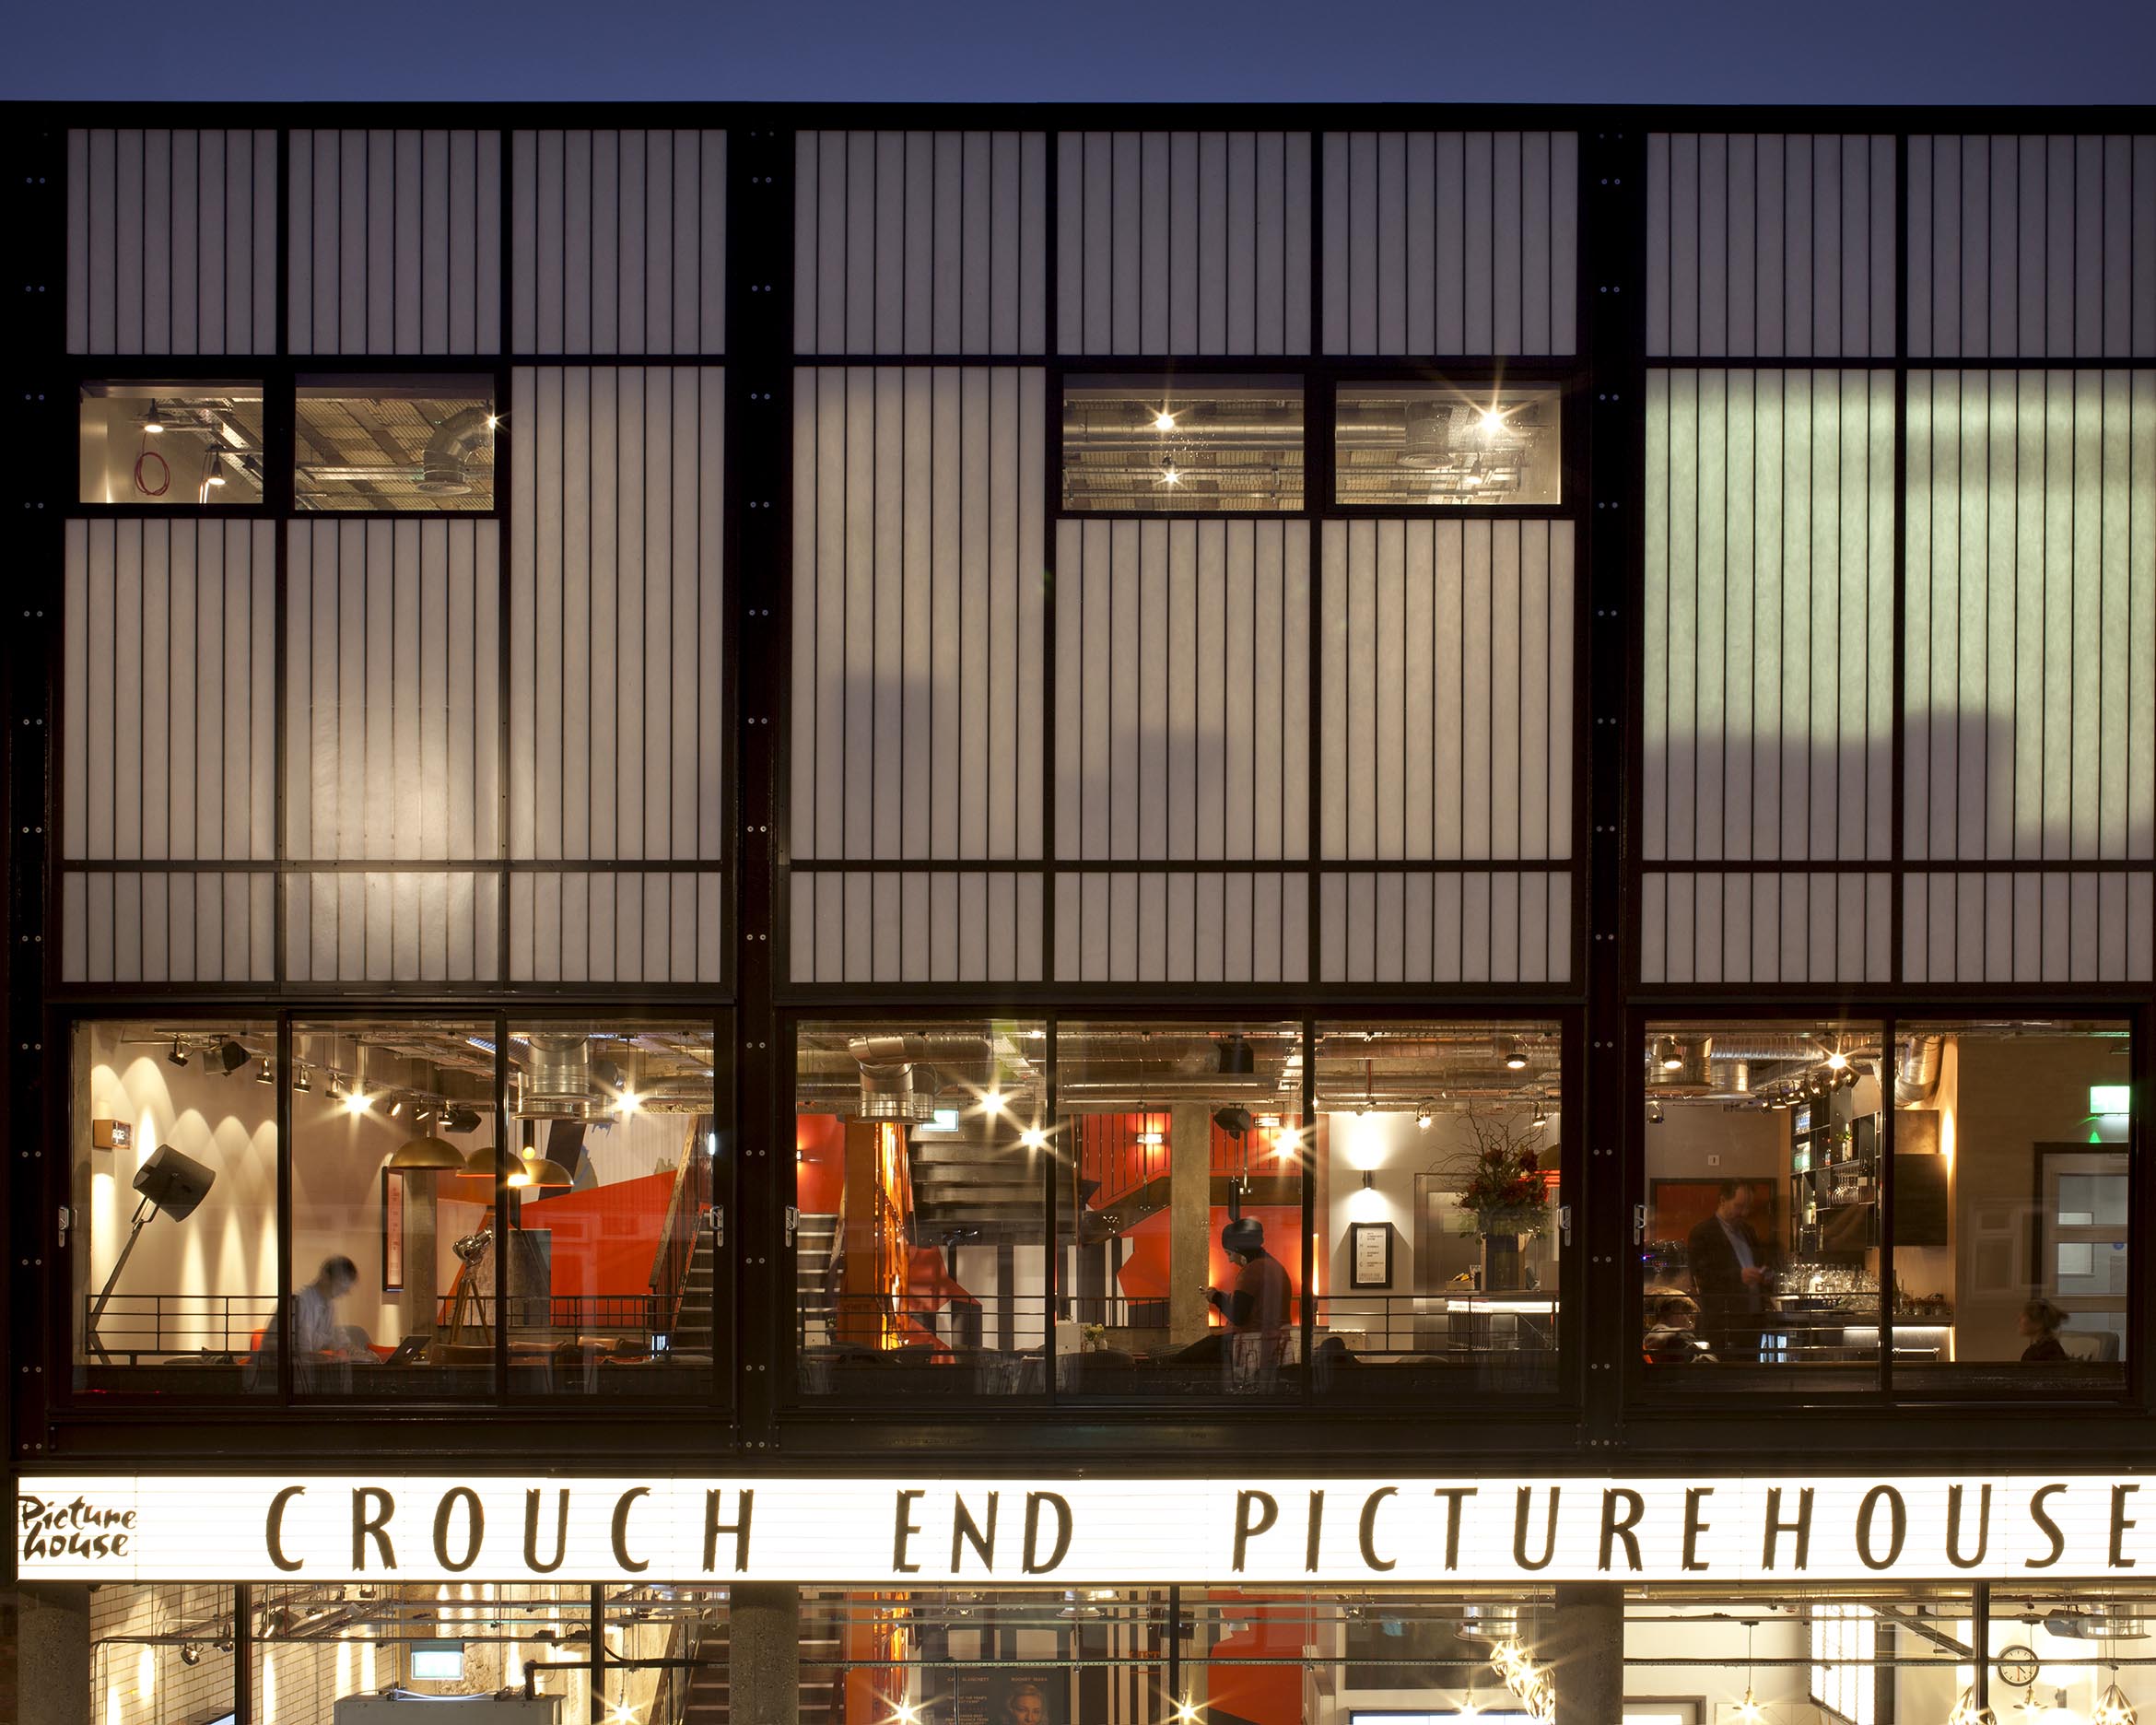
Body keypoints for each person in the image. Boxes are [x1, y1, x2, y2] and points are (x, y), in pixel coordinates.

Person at [1686, 1182, 1775, 1363]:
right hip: (1724, 1323)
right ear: (1722, 1201)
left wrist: (1765, 1275)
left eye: (1748, 1206)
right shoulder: (1703, 1233)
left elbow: (1761, 1263)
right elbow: (1701, 1276)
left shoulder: (1748, 1231)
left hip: (1752, 1322)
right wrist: (1739, 1276)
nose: (1744, 1212)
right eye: (1739, 1206)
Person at [1206, 1216, 1292, 1389]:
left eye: (1229, 1253)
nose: (1230, 1260)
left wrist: (1215, 1297)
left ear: (1240, 1250)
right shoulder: (1275, 1267)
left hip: (1251, 1337)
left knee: (1181, 1360)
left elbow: (1239, 1316)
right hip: (1274, 1338)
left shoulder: (1252, 1270)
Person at [1642, 1293, 1705, 1365]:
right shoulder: (1679, 1334)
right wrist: (1703, 1347)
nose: (1689, 1321)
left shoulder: (1647, 1339)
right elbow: (1706, 1367)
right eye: (1687, 1314)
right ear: (1674, 1311)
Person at [2018, 1297, 2069, 1363]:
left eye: (2024, 1315)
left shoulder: (2040, 1353)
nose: (2019, 1319)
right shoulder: (2051, 1348)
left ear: (2038, 1323)